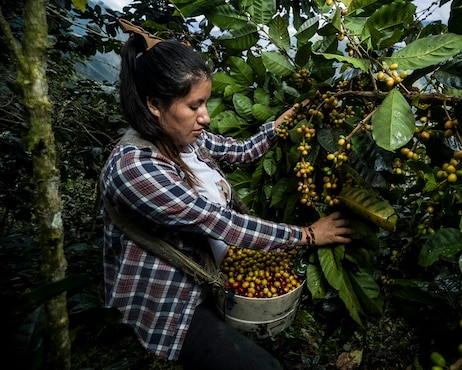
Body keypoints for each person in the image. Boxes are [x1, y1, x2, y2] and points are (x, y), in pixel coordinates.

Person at [100, 19, 353, 369]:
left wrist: (279, 127)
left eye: (206, 102)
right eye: (194, 106)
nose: (205, 117)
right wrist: (308, 235)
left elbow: (239, 151)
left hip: (212, 275)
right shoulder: (136, 168)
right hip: (173, 298)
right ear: (154, 105)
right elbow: (220, 223)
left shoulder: (187, 138)